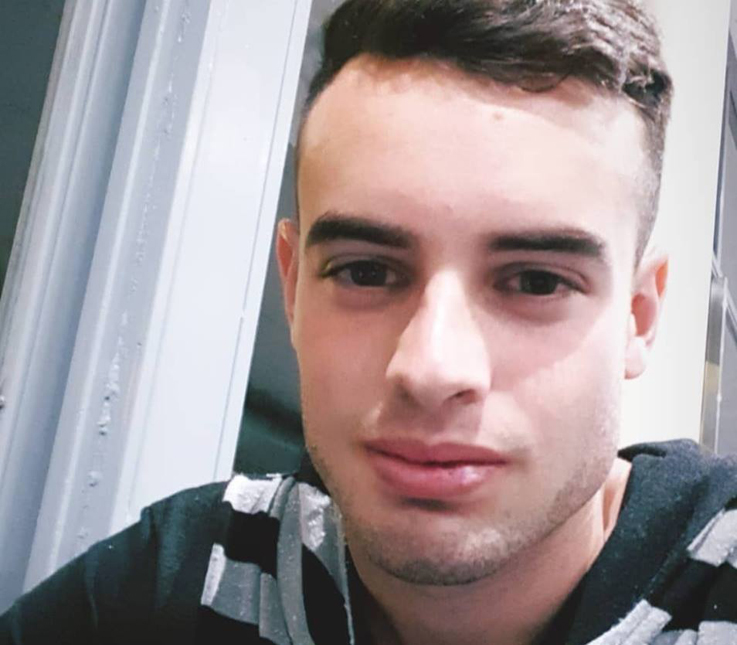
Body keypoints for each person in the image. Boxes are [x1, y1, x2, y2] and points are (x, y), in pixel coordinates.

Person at [3, 0, 737, 643]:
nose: (431, 368)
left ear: (637, 317)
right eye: (365, 271)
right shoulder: (178, 581)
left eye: (536, 281)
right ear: (294, 288)